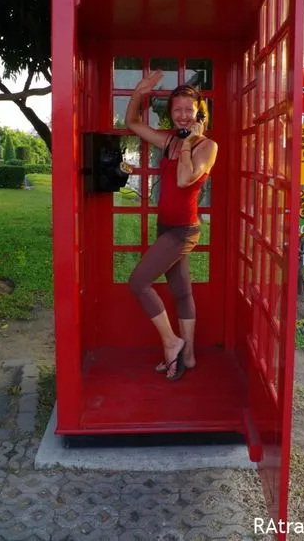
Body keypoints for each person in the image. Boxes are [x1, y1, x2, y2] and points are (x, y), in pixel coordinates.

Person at [125, 70, 218, 381]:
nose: (182, 116)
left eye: (188, 110)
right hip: (165, 226)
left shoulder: (207, 146)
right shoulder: (167, 140)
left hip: (183, 230)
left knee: (138, 282)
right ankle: (188, 356)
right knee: (181, 290)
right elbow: (133, 124)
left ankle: (172, 342)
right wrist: (139, 91)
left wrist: (189, 142)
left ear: (198, 113)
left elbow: (183, 179)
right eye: (176, 110)